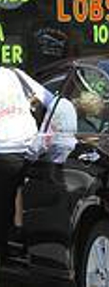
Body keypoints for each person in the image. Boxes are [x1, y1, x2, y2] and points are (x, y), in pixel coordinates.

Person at [0, 66, 53, 261]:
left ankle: (6, 248)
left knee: (5, 204)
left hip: (4, 150)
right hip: (31, 148)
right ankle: (29, 246)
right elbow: (52, 102)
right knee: (31, 199)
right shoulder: (16, 74)